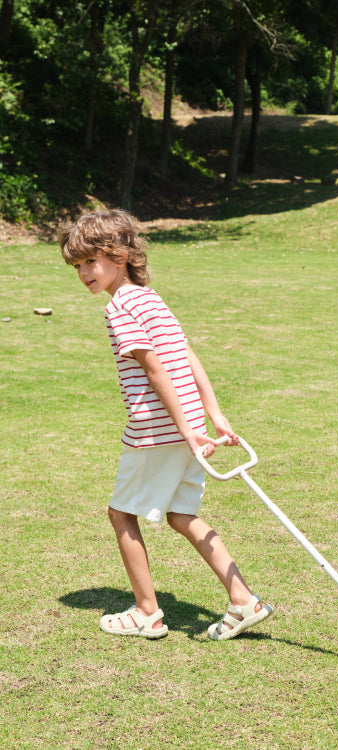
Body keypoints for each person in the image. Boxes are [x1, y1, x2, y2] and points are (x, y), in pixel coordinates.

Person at [59, 209, 272, 641]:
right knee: (181, 514)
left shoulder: (121, 306)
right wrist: (211, 416)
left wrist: (191, 428)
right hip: (187, 426)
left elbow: (157, 369)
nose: (83, 272)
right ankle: (243, 600)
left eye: (90, 261)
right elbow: (188, 358)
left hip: (157, 431)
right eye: (77, 265)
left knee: (121, 513)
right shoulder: (150, 297)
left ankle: (146, 612)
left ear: (119, 256)